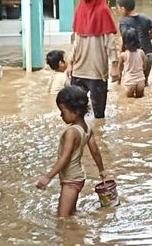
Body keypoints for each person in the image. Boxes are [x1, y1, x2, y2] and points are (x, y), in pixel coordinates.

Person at [36, 85, 107, 216]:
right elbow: (95, 151)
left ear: (75, 111)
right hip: (78, 177)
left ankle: (74, 233)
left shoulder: (71, 132)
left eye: (63, 112)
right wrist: (101, 170)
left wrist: (48, 177)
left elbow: (65, 157)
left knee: (62, 218)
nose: (61, 115)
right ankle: (80, 227)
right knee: (71, 213)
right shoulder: (87, 129)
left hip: (70, 180)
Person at [67, 0, 120, 119]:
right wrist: (70, 63)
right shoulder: (79, 9)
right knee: (75, 113)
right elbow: (76, 39)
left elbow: (110, 42)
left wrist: (115, 65)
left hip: (97, 72)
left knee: (99, 116)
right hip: (78, 70)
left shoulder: (103, 11)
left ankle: (99, 139)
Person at [117, 0, 152, 85]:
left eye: (118, 9)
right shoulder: (144, 17)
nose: (118, 11)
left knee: (131, 81)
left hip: (135, 58)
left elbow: (124, 39)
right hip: (149, 55)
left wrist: (120, 54)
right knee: (144, 82)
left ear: (123, 9)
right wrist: (146, 38)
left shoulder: (123, 22)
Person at [118, 28, 147, 98]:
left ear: (125, 43)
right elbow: (144, 67)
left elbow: (119, 70)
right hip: (141, 81)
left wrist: (119, 81)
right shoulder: (141, 53)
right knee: (140, 100)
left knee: (129, 102)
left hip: (129, 82)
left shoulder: (123, 55)